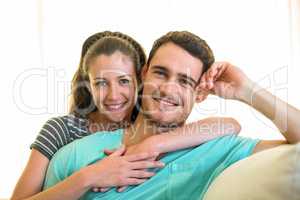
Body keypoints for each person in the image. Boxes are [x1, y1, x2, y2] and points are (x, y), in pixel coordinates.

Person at [43, 31, 300, 200]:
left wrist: (247, 90)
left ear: (200, 93)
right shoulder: (75, 155)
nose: (167, 89)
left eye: (185, 81)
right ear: (143, 74)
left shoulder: (220, 148)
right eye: (160, 73)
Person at [11, 31, 240, 200]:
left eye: (123, 81)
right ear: (88, 85)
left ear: (140, 79)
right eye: (100, 82)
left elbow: (229, 125)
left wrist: (154, 143)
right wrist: (91, 176)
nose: (113, 95)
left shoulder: (146, 121)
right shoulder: (64, 130)